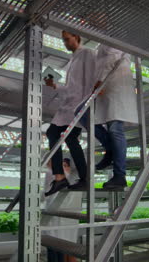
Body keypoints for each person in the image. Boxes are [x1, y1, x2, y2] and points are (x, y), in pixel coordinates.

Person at [44, 30, 96, 195]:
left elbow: (90, 80)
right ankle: (76, 178)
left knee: (56, 133)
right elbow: (71, 87)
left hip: (78, 105)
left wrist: (86, 104)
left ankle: (63, 178)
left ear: (77, 38)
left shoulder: (87, 53)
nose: (65, 43)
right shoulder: (72, 59)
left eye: (67, 39)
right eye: (63, 40)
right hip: (69, 105)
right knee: (69, 138)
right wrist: (55, 85)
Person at [82, 44, 138, 189]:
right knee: (82, 114)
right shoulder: (100, 45)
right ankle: (110, 148)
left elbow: (113, 59)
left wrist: (100, 81)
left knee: (115, 129)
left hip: (117, 84)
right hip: (107, 87)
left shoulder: (113, 36)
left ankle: (120, 175)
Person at [42, 159, 82, 262]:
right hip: (54, 219)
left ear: (70, 168)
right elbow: (46, 194)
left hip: (66, 219)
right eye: (61, 166)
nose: (63, 169)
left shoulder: (73, 180)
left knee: (61, 250)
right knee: (54, 249)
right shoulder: (54, 178)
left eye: (65, 166)